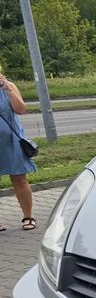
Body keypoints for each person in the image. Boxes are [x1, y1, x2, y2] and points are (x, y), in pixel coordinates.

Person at [0, 71, 36, 232]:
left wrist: (8, 88)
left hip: (12, 142)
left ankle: (28, 217)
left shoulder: (9, 87)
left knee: (19, 179)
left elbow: (21, 109)